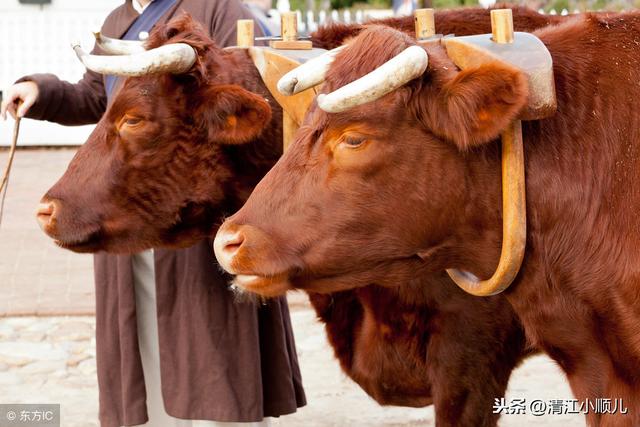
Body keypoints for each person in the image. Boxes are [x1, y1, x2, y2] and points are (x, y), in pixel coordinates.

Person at [0, 1, 305, 426]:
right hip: (124, 201)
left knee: (213, 345)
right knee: (141, 335)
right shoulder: (117, 21)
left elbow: (250, 87)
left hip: (193, 215)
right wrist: (43, 91)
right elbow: (96, 97)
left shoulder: (217, 7)